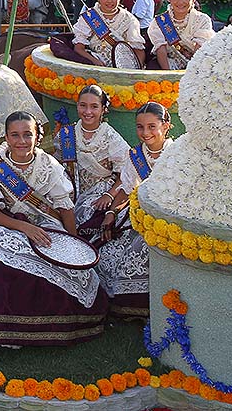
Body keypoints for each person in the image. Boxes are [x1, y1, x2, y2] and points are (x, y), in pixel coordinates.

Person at [0, 112, 107, 347]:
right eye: (15, 135)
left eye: (28, 134)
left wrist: (74, 242)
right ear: (6, 137)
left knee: (60, 262)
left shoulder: (48, 164)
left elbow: (64, 206)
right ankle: (9, 332)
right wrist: (24, 227)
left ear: (37, 136)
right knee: (4, 260)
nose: (21, 141)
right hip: (8, 224)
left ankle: (63, 328)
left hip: (44, 221)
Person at [96, 102, 173, 319]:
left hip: (168, 220)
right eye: (140, 127)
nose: (145, 133)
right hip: (140, 216)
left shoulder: (176, 154)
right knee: (107, 253)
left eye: (152, 127)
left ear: (165, 126)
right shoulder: (135, 155)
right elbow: (126, 189)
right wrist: (111, 213)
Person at [60, 86, 134, 245]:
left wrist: (109, 195)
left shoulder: (110, 137)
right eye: (83, 105)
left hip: (101, 191)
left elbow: (128, 174)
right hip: (71, 191)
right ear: (77, 105)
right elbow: (60, 166)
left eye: (94, 106)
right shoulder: (67, 134)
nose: (88, 111)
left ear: (103, 109)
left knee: (94, 216)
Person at [72, 0, 144, 68]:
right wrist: (94, 61)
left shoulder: (129, 20)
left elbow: (138, 50)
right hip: (95, 64)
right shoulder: (89, 17)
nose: (110, 1)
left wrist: (134, 71)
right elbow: (79, 48)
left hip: (122, 67)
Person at [148, 0, 216, 70]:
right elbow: (161, 48)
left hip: (197, 66)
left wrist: (191, 74)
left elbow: (199, 50)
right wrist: (168, 75)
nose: (180, 2)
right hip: (169, 63)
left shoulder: (202, 20)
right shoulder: (159, 21)